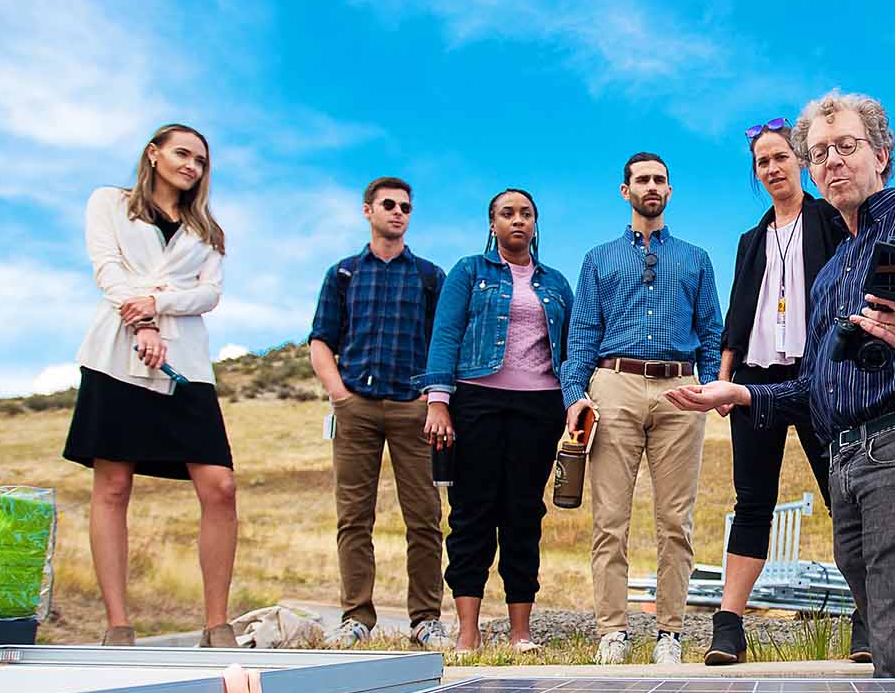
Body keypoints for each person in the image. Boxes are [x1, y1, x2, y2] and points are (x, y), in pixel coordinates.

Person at [668, 91, 895, 677]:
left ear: (882, 154)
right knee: (888, 640)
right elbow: (814, 386)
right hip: (847, 463)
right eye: (820, 151)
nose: (832, 160)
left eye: (847, 147)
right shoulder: (833, 273)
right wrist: (745, 393)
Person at [64, 123, 238, 648]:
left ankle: (216, 624)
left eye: (201, 161)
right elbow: (108, 268)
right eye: (183, 154)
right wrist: (139, 320)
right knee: (113, 485)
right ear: (154, 154)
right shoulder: (110, 203)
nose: (192, 166)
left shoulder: (209, 233)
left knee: (220, 486)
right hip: (116, 356)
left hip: (185, 363)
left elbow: (208, 294)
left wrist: (159, 305)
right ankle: (118, 625)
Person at [708, 118, 871, 666]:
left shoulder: (829, 220)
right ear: (756, 174)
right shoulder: (750, 239)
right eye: (763, 163)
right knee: (752, 500)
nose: (773, 168)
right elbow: (737, 313)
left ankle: (868, 617)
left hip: (822, 374)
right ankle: (728, 625)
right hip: (756, 380)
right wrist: (724, 380)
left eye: (780, 157)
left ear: (800, 161)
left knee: (841, 496)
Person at [560, 152, 723, 665]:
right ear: (624, 189)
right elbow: (582, 333)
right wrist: (575, 397)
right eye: (641, 179)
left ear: (669, 192)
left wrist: (713, 384)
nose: (651, 186)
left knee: (676, 520)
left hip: (680, 389)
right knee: (610, 518)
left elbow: (711, 331)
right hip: (615, 386)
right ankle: (612, 630)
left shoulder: (696, 259)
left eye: (659, 180)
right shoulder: (598, 259)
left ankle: (669, 633)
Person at [416, 189, 573, 652]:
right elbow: (445, 333)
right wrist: (438, 400)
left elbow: (571, 346)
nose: (517, 221)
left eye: (526, 214)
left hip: (540, 406)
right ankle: (469, 631)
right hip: (477, 400)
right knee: (472, 514)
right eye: (508, 214)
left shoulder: (557, 282)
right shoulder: (469, 272)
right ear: (492, 224)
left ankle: (521, 631)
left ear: (535, 224)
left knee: (524, 513)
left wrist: (574, 400)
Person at [308, 177, 451, 650]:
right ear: (367, 210)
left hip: (413, 411)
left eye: (405, 207)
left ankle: (426, 619)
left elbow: (443, 344)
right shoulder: (343, 274)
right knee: (353, 517)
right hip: (357, 408)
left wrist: (432, 400)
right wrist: (340, 396)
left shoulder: (431, 277)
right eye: (388, 205)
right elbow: (321, 341)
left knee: (425, 517)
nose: (398, 213)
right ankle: (356, 617)